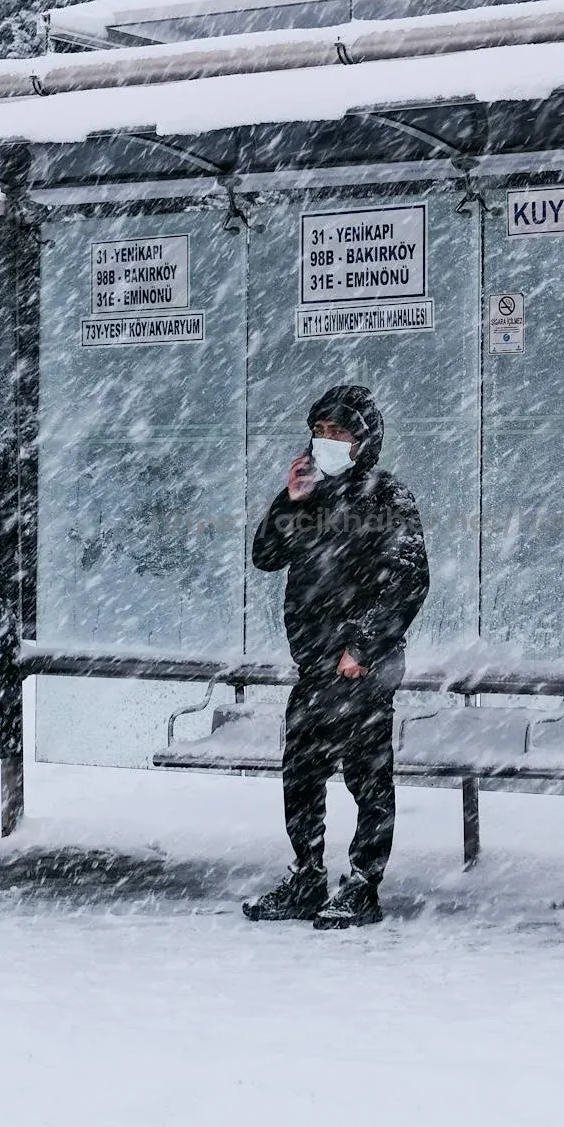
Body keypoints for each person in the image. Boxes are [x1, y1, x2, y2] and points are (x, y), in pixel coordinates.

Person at [242, 385, 428, 930]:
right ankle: (306, 878)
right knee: (301, 773)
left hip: (362, 667)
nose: (327, 441)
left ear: (363, 441)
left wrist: (362, 647)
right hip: (315, 664)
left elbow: (408, 579)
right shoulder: (313, 494)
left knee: (367, 778)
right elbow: (266, 557)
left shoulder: (386, 496)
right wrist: (290, 500)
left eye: (339, 433)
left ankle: (363, 885)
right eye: (320, 432)